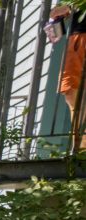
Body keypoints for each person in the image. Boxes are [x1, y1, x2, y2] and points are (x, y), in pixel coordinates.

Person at [51, 4, 86, 149]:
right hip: (78, 40)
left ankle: (81, 151)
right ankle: (80, 151)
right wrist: (69, 7)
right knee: (73, 97)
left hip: (79, 40)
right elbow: (54, 13)